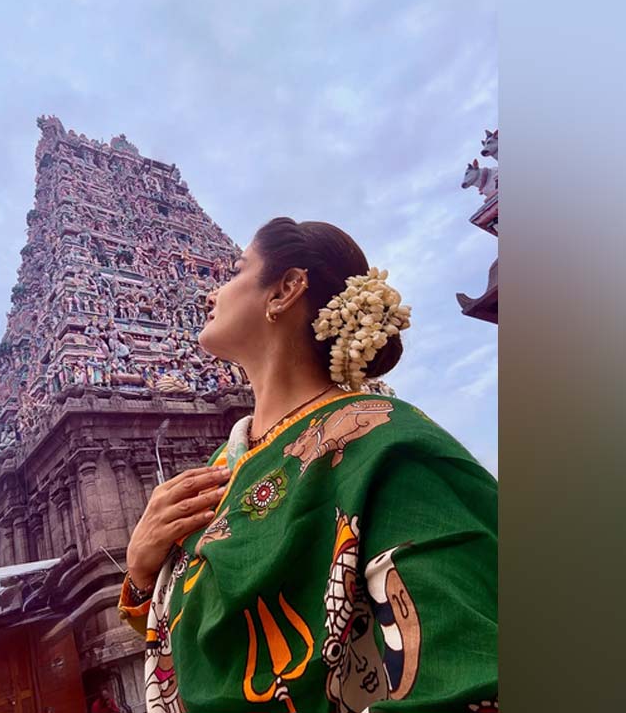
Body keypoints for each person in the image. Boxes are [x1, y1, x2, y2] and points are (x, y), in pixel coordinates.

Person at [117, 217, 498, 713]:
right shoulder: (220, 468)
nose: (209, 295)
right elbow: (198, 640)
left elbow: (462, 675)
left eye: (234, 271)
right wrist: (143, 571)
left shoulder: (384, 443)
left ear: (287, 289)